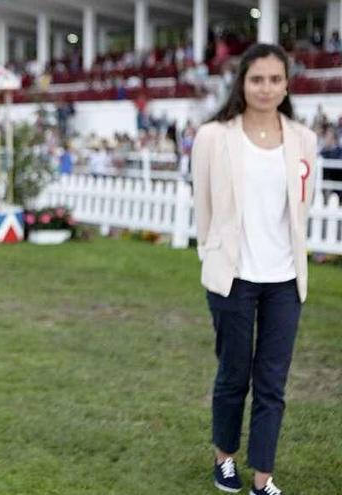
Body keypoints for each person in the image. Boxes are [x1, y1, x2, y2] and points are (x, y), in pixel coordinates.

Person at [192, 43, 317, 495]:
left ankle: (263, 477)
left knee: (272, 383)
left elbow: (305, 203)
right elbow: (202, 206)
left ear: (287, 84)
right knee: (233, 374)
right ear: (242, 82)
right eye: (257, 79)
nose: (266, 88)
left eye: (275, 79)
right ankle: (224, 458)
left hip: (284, 280)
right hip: (233, 278)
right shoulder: (213, 136)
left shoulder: (304, 138)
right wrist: (213, 254)